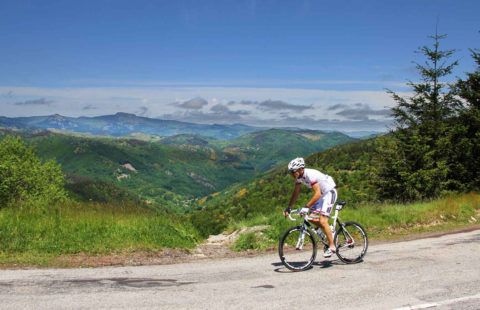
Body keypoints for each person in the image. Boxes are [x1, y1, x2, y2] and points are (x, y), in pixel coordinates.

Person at [283, 157, 337, 257]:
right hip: (322, 195)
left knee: (322, 220)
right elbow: (296, 193)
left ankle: (332, 246)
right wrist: (289, 207)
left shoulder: (309, 174)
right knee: (310, 217)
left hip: (329, 192)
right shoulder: (299, 177)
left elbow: (317, 193)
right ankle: (328, 230)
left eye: (292, 172)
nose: (291, 174)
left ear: (300, 169)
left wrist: (306, 206)